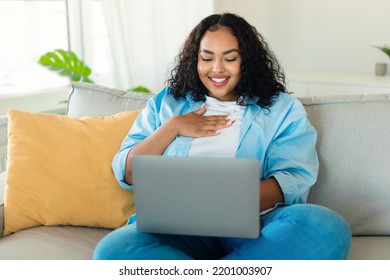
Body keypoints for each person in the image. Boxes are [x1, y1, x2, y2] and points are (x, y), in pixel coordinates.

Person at [93, 13, 351, 260]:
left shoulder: (282, 109)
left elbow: (291, 180)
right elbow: (127, 173)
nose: (216, 69)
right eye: (207, 58)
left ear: (246, 61)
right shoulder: (167, 104)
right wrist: (172, 128)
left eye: (230, 58)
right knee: (114, 249)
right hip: (177, 228)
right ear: (195, 60)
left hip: (256, 224)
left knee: (325, 226)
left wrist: (224, 202)